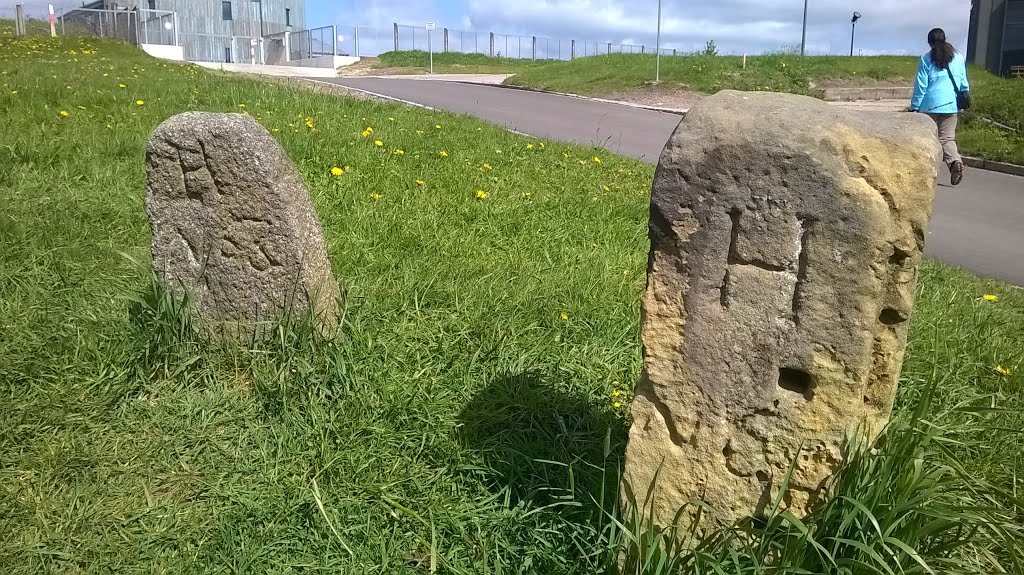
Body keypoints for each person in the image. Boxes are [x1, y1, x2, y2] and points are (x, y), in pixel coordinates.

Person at [910, 27, 970, 186]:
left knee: (925, 138)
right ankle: (955, 161)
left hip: (929, 106)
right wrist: (963, 95)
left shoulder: (926, 59)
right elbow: (963, 83)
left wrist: (915, 106)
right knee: (947, 138)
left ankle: (924, 170)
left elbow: (921, 86)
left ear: (929, 42)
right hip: (950, 105)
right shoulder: (958, 57)